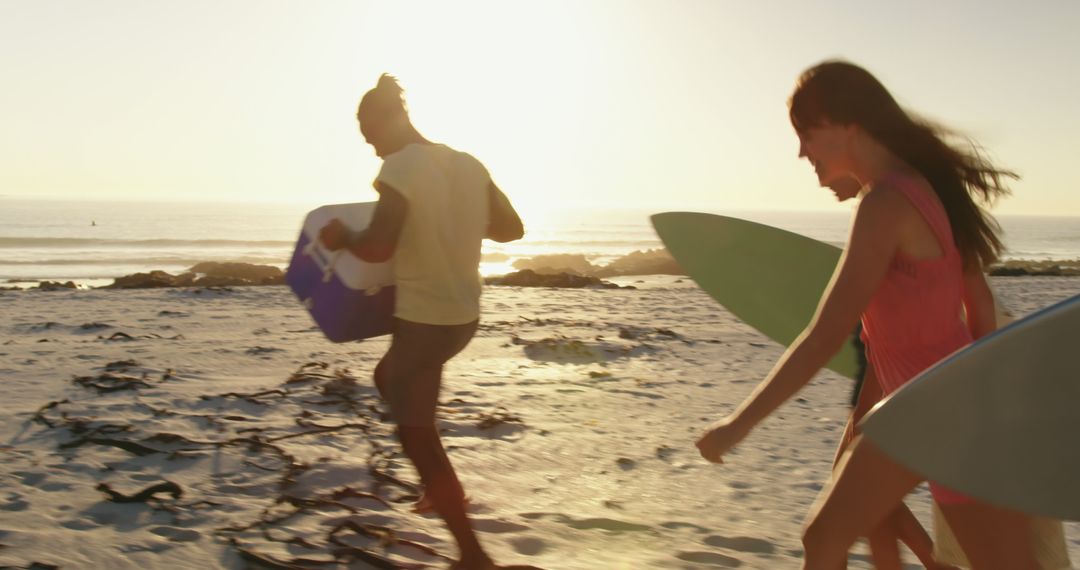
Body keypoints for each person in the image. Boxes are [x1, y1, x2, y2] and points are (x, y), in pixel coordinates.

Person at [694, 60, 1037, 569]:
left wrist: (737, 424)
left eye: (806, 134)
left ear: (843, 125)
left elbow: (825, 334)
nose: (801, 150)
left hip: (935, 412)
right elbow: (966, 305)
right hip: (923, 408)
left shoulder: (886, 205)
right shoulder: (922, 190)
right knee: (831, 535)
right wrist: (871, 414)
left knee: (829, 538)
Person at [319, 74, 524, 570]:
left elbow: (377, 246)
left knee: (415, 434)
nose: (369, 146)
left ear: (391, 120)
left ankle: (472, 554)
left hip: (424, 318)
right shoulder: (467, 164)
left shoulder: (399, 168)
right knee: (388, 379)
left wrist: (342, 236)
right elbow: (511, 229)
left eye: (369, 132)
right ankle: (440, 489)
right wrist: (455, 218)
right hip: (462, 316)